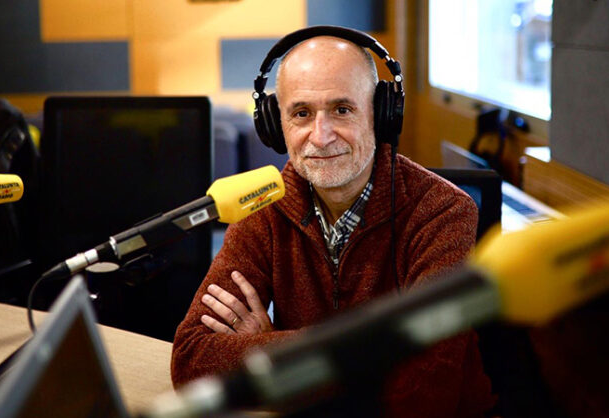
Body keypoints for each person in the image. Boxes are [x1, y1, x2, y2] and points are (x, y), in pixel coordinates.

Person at [172, 27, 494, 417]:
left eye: (342, 110)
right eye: (302, 113)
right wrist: (371, 355)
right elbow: (192, 359)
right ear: (276, 124)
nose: (321, 137)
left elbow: (424, 395)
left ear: (380, 114)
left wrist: (276, 354)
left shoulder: (443, 211)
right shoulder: (260, 205)